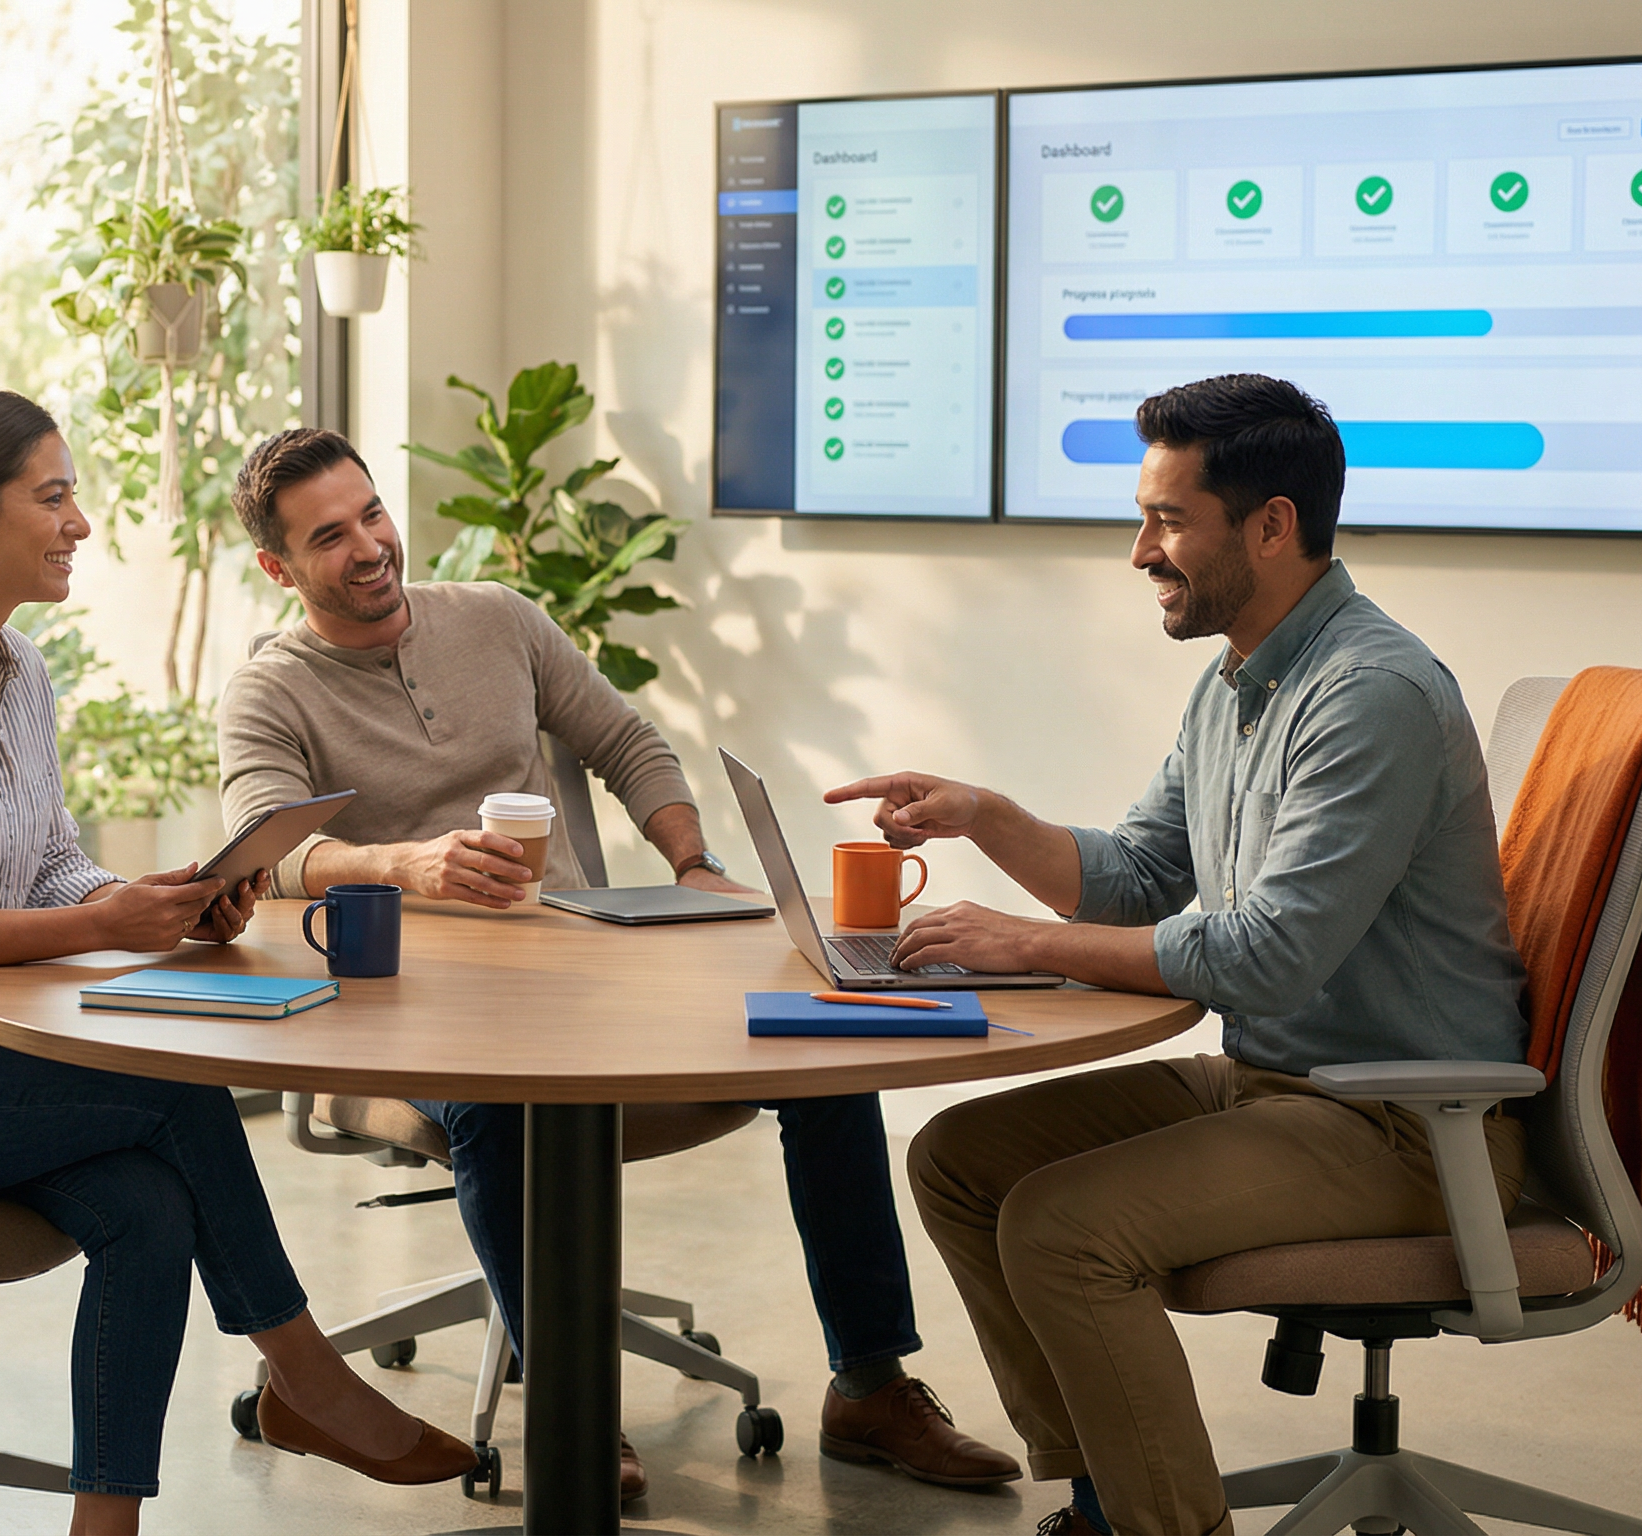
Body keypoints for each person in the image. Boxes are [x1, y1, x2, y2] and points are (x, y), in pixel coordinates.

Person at [0, 388, 479, 1536]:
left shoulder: (16, 672)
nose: (79, 522)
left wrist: (164, 908)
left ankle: (105, 1525)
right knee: (164, 1089)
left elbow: (48, 869)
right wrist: (100, 926)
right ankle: (307, 1378)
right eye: (53, 496)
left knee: (143, 1209)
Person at [215, 426, 1021, 1504]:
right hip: (413, 1016)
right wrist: (406, 862)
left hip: (587, 975)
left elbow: (629, 744)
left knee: (831, 1040)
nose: (369, 546)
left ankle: (870, 1384)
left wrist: (693, 861)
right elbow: (271, 849)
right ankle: (571, 1401)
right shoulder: (270, 691)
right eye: (329, 536)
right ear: (278, 567)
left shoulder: (497, 619)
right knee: (502, 1107)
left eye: (372, 513)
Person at [826, 374, 1530, 1536]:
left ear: (1271, 525)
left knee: (1063, 1228)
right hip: (1278, 1084)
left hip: (1402, 1118)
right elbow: (1145, 876)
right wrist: (986, 817)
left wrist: (1022, 942)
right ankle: (1109, 1497)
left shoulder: (1370, 696)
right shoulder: (1236, 682)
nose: (1139, 550)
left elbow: (1265, 958)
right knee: (959, 1160)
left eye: (1166, 521)